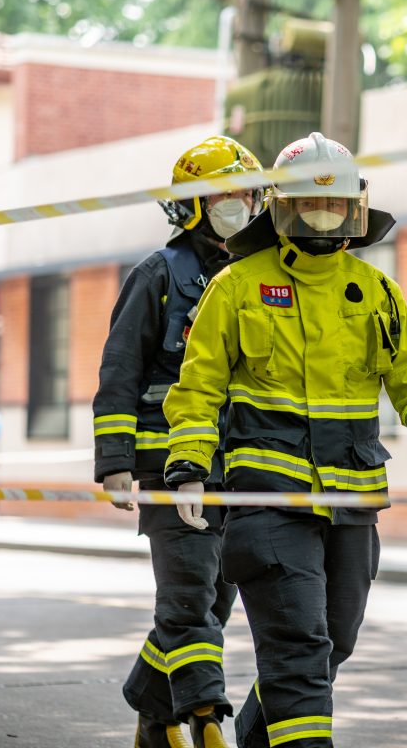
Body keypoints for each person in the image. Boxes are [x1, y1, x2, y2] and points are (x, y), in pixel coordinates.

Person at [162, 132, 407, 748]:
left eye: (336, 206)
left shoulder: (374, 289)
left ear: (356, 208)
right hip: (267, 501)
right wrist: (188, 465)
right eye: (310, 205)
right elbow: (197, 388)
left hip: (352, 500)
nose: (324, 217)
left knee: (332, 643)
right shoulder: (237, 285)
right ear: (280, 208)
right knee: (299, 646)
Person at [93, 135, 266, 748]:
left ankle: (149, 706)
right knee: (191, 601)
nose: (240, 207)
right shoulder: (159, 275)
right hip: (167, 464)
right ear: (193, 204)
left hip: (240, 469)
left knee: (212, 604)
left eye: (249, 196)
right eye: (226, 197)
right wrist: (116, 463)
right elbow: (119, 372)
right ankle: (203, 722)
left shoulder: (257, 278)